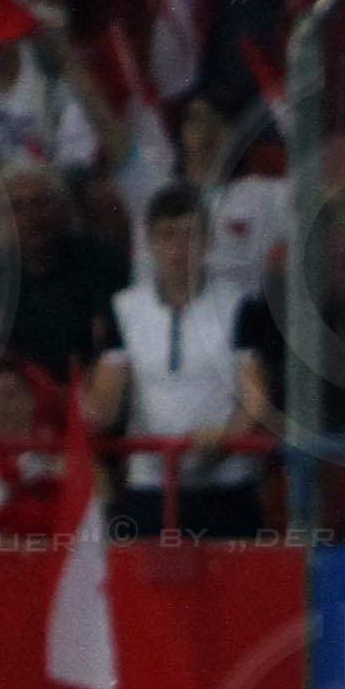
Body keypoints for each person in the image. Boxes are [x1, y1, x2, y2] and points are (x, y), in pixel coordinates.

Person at [90, 183, 276, 538]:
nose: (178, 248)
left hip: (226, 484)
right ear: (150, 242)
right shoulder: (124, 309)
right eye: (167, 235)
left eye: (190, 235)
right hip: (150, 486)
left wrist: (227, 439)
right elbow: (105, 401)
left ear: (208, 241)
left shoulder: (241, 306)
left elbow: (255, 398)